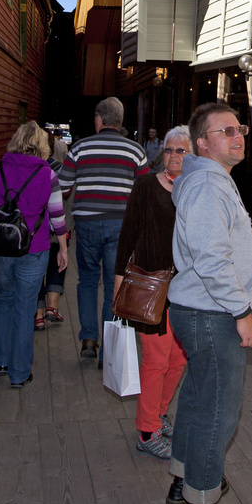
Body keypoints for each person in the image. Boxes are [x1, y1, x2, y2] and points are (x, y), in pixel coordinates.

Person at [165, 102, 252, 504]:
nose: (237, 135)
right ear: (201, 142)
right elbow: (209, 257)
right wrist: (242, 311)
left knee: (198, 397)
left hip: (202, 310)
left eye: (239, 128)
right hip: (213, 313)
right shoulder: (206, 183)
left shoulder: (209, 179)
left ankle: (184, 479)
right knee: (218, 410)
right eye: (225, 131)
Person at [0, 121, 67, 388]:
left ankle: (0, 361)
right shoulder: (47, 175)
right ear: (42, 146)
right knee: (25, 307)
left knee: (3, 300)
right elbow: (57, 216)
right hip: (33, 249)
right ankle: (19, 373)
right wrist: (63, 249)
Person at [114, 125, 191, 461]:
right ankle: (146, 432)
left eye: (181, 151)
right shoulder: (146, 185)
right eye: (170, 150)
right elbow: (128, 232)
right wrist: (119, 281)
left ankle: (157, 416)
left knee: (179, 358)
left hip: (186, 290)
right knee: (157, 360)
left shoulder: (195, 189)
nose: (173, 156)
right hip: (151, 287)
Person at [59, 97, 147, 362]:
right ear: (119, 121)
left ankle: (88, 338)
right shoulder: (136, 151)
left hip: (86, 224)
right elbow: (142, 194)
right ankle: (110, 345)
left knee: (86, 280)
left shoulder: (79, 148)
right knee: (113, 283)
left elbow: (63, 189)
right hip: (121, 225)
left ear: (99, 120)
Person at [38, 134, 70, 329]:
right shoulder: (60, 169)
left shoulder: (29, 169)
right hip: (58, 228)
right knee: (57, 263)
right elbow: (67, 197)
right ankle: (52, 307)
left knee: (35, 271)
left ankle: (38, 314)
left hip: (34, 231)